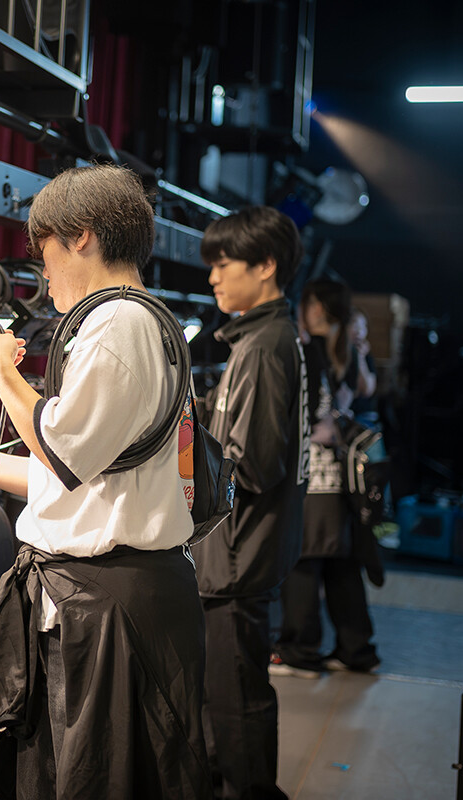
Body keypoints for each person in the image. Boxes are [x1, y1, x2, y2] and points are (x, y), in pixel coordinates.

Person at [0, 164, 211, 800]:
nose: (44, 275)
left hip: (108, 610)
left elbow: (61, 448)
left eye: (45, 253)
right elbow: (81, 475)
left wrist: (1, 373)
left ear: (81, 236)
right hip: (112, 601)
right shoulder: (143, 322)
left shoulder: (118, 323)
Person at [190, 206, 308, 800]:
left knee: (236, 699)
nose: (213, 276)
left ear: (265, 266)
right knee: (225, 695)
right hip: (245, 550)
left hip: (239, 554)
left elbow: (255, 464)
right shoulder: (264, 337)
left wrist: (190, 441)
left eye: (224, 263)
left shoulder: (264, 345)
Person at [273, 278, 381, 676]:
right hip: (343, 479)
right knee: (341, 565)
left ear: (315, 307)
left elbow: (300, 415)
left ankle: (300, 651)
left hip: (312, 478)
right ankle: (356, 650)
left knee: (302, 561)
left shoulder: (308, 352)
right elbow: (363, 394)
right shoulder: (347, 351)